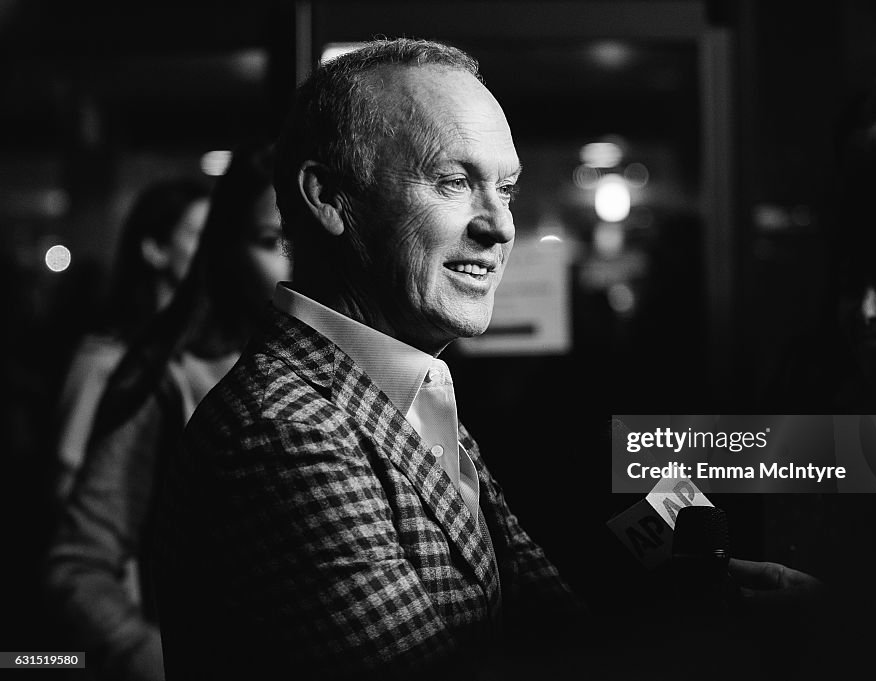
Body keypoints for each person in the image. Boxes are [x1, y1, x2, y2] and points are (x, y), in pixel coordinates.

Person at [156, 38, 824, 681]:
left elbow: (553, 635)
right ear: (329, 197)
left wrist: (708, 621)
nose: (500, 225)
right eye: (453, 181)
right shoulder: (286, 431)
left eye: (504, 189)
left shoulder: (407, 387)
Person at [44, 142, 291, 681]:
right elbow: (81, 555)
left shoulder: (356, 376)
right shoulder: (159, 373)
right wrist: (148, 655)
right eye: (273, 241)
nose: (298, 265)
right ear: (227, 251)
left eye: (312, 242)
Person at [52, 179, 210, 500]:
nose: (213, 249)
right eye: (198, 235)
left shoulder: (206, 352)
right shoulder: (105, 358)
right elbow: (66, 485)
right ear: (154, 250)